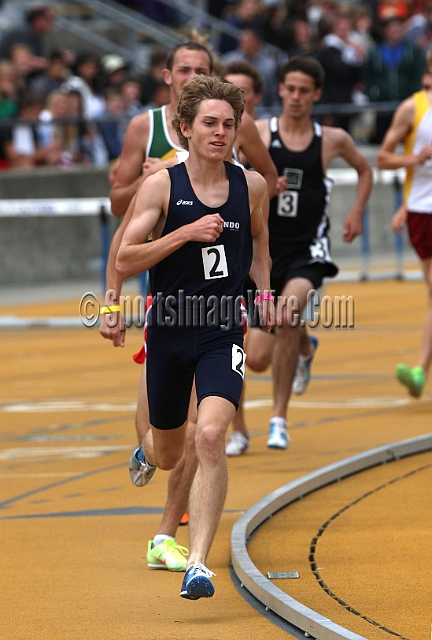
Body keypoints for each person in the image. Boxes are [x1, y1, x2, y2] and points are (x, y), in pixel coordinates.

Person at [101, 41, 277, 570]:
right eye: (210, 124)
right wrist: (182, 237)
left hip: (223, 328)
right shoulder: (159, 182)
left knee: (210, 433)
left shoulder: (252, 186)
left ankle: (197, 559)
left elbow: (261, 244)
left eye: (228, 124)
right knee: (167, 451)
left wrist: (265, 293)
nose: (220, 133)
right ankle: (148, 454)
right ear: (185, 128)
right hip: (171, 324)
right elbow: (126, 252)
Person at [248, 56, 372, 450]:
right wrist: (265, 186)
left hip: (309, 250)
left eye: (305, 91)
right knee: (255, 359)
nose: (296, 97)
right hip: (265, 249)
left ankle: (277, 419)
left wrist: (355, 212)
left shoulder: (331, 139)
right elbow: (233, 174)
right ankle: (305, 345)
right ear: (279, 90)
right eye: (290, 89)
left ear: (317, 94)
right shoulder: (259, 134)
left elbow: (364, 170)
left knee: (286, 313)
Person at [376, 50, 432, 398]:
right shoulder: (414, 108)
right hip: (423, 212)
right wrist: (413, 158)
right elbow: (383, 156)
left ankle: (421, 369)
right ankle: (420, 371)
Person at [365, 15, 425, 143]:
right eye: (392, 29)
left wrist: (414, 98)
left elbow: (417, 75)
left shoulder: (412, 50)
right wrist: (373, 97)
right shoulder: (375, 51)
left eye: (398, 28)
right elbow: (368, 78)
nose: (395, 32)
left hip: (407, 103)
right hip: (382, 105)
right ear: (384, 31)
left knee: (407, 138)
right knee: (383, 139)